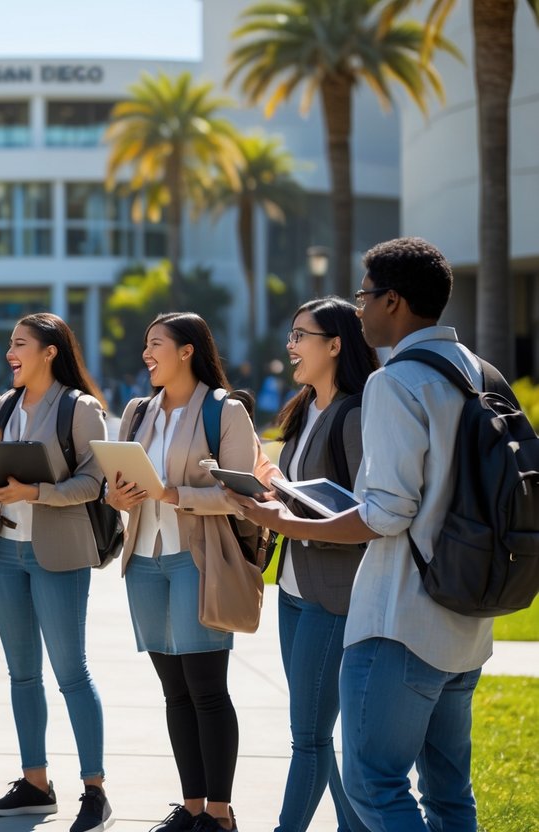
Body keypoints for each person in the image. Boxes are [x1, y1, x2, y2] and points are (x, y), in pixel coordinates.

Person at [232, 238, 494, 832]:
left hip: (402, 617)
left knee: (373, 786)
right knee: (451, 793)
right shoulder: (479, 372)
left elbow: (385, 512)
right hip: (469, 617)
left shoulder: (395, 382)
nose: (360, 311)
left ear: (393, 301)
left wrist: (278, 520)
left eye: (364, 296)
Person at [105, 312, 258, 832]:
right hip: (144, 559)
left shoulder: (224, 411)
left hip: (198, 559)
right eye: (146, 344)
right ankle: (191, 808)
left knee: (207, 688)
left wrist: (174, 494)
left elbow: (242, 497)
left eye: (156, 344)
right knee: (174, 692)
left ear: (188, 350)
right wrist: (116, 495)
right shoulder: (137, 412)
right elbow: (120, 485)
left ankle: (219, 814)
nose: (146, 354)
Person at [0, 312, 112, 832]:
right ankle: (36, 783)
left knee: (71, 672)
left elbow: (94, 484)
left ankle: (94, 791)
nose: (10, 352)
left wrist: (35, 492)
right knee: (22, 674)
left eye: (20, 344)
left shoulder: (81, 409)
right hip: (5, 550)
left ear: (50, 351)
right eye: (9, 343)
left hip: (58, 553)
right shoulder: (4, 407)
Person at [271, 298, 378, 832]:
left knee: (309, 738)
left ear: (335, 344)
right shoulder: (304, 408)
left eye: (300, 335)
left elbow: (369, 512)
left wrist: (290, 516)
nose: (290, 346)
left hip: (334, 594)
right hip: (291, 590)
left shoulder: (356, 414)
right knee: (318, 732)